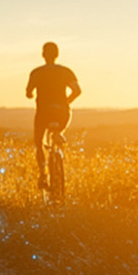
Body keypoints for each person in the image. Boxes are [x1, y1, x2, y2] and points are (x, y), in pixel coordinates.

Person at [26, 42, 81, 189]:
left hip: (43, 112)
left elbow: (28, 93)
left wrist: (32, 93)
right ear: (57, 54)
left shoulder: (36, 72)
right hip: (62, 111)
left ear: (43, 55)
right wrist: (66, 101)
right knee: (58, 129)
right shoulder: (66, 71)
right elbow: (77, 90)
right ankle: (58, 137)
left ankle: (43, 173)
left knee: (39, 142)